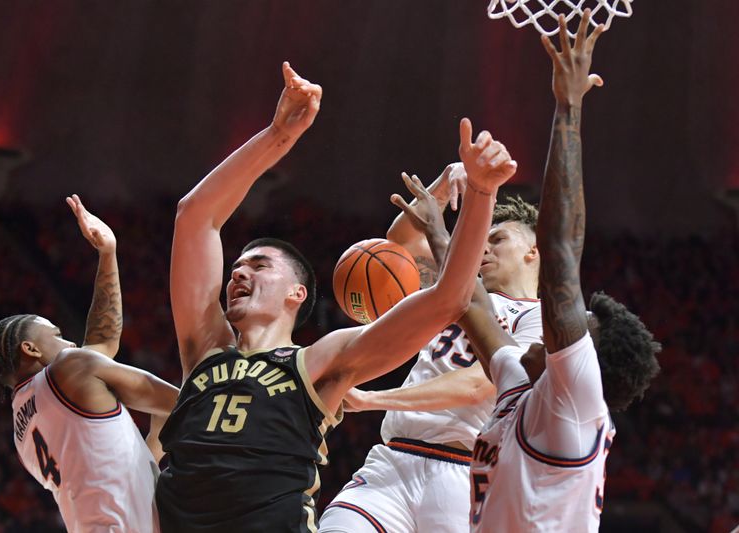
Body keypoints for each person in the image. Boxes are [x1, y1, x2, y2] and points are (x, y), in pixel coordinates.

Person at [156, 61, 518, 533]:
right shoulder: (203, 347)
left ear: (296, 293)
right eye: (236, 267)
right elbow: (195, 216)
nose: (239, 273)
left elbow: (448, 298)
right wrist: (276, 136)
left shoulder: (318, 363)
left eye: (260, 265)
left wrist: (481, 193)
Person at [461, 12, 660, 531]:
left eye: (574, 328)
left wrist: (568, 107)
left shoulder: (574, 395)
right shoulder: (522, 389)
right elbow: (467, 299)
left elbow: (560, 253)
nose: (555, 329)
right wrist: (461, 207)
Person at [320, 168, 542, 533]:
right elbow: (400, 245)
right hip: (392, 462)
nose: (483, 247)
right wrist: (443, 185)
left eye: (498, 239)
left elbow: (477, 386)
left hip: (464, 475)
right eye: (481, 239)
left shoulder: (543, 320)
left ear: (533, 251)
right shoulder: (455, 290)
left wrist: (373, 399)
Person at [0, 195, 179, 533]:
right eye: (55, 335)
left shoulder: (23, 425)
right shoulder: (68, 370)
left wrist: (107, 254)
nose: (69, 343)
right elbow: (184, 402)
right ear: (30, 348)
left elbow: (101, 343)